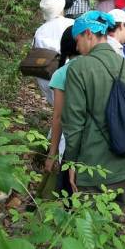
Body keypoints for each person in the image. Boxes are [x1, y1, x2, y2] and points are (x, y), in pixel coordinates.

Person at [62, 11, 125, 208]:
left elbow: (73, 124)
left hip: (91, 168)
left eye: (77, 38)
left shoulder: (78, 68)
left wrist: (72, 164)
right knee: (112, 230)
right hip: (124, 168)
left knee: (88, 232)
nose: (76, 45)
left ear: (89, 33)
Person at [44, 26, 80, 174]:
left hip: (69, 143)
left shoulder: (61, 73)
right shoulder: (96, 66)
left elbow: (59, 116)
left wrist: (52, 153)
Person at [34, 0, 74, 105]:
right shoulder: (71, 23)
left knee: (57, 107)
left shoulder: (40, 30)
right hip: (68, 73)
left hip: (46, 75)